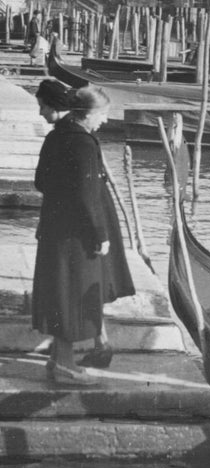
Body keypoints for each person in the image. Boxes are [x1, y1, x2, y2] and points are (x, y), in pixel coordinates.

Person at [32, 86, 135, 385]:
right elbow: (87, 195)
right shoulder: (83, 143)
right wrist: (100, 235)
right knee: (73, 295)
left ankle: (57, 362)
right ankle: (65, 367)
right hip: (78, 234)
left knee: (59, 292)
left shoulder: (57, 135)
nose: (103, 121)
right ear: (88, 114)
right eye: (102, 115)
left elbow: (41, 181)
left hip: (55, 227)